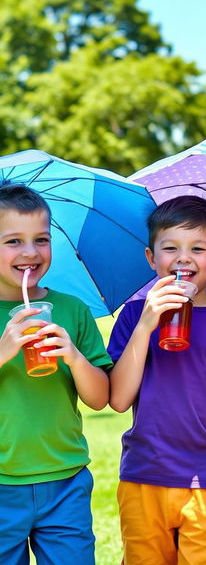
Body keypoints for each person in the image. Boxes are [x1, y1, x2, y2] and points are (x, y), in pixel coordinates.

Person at [108, 195, 206, 565]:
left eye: (197, 248)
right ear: (151, 258)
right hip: (143, 477)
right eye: (170, 248)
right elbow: (118, 400)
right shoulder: (136, 315)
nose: (183, 258)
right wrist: (147, 323)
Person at [0, 182, 112, 565]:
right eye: (13, 241)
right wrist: (4, 351)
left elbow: (100, 399)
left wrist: (75, 358)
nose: (30, 252)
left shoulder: (72, 310)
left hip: (65, 480)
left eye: (41, 240)